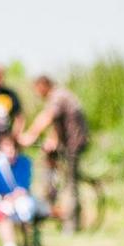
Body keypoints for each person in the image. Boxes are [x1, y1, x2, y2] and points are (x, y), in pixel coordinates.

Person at [19, 76, 89, 233]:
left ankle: (70, 226)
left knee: (70, 185)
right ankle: (47, 213)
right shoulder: (60, 96)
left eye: (38, 90)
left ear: (44, 85)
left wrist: (30, 136)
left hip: (73, 146)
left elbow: (47, 117)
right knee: (51, 176)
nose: (37, 94)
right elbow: (59, 123)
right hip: (66, 145)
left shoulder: (58, 96)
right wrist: (52, 140)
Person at [0, 133, 42, 246]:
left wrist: (12, 198)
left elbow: (23, 187)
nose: (10, 151)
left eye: (12, 147)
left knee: (25, 208)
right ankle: (9, 244)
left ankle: (29, 243)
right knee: (4, 211)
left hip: (18, 200)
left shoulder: (24, 162)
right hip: (0, 199)